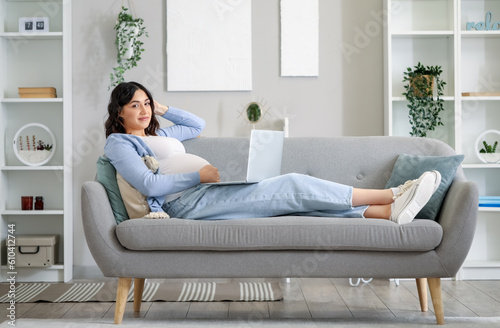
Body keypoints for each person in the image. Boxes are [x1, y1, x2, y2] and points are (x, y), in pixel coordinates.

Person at [104, 82, 441, 224]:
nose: (144, 109)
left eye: (146, 103)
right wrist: (199, 175)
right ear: (119, 112)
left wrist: (159, 104)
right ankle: (394, 193)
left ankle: (386, 213)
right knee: (293, 185)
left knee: (296, 204)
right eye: (135, 105)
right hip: (184, 203)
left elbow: (195, 125)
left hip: (203, 193)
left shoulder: (159, 133)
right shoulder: (119, 143)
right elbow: (147, 183)